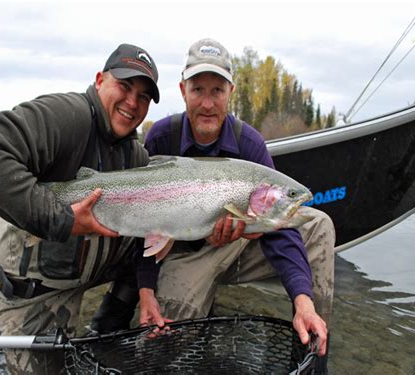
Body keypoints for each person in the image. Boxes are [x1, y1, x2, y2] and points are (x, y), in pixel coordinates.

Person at [0, 43, 162, 375]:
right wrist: (62, 218)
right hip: (32, 295)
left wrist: (146, 288)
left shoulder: (135, 156)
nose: (132, 103)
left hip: (81, 274)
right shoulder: (66, 115)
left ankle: (108, 323)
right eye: (124, 87)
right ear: (99, 81)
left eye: (143, 97)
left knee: (160, 243)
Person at [138, 38, 334, 372]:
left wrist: (301, 300)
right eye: (198, 90)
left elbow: (281, 230)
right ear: (182, 90)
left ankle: (311, 338)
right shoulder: (160, 137)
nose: (208, 103)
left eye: (217, 90)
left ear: (231, 91)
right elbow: (141, 221)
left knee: (318, 225)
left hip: (243, 245)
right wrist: (145, 289)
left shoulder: (250, 144)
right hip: (186, 251)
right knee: (161, 338)